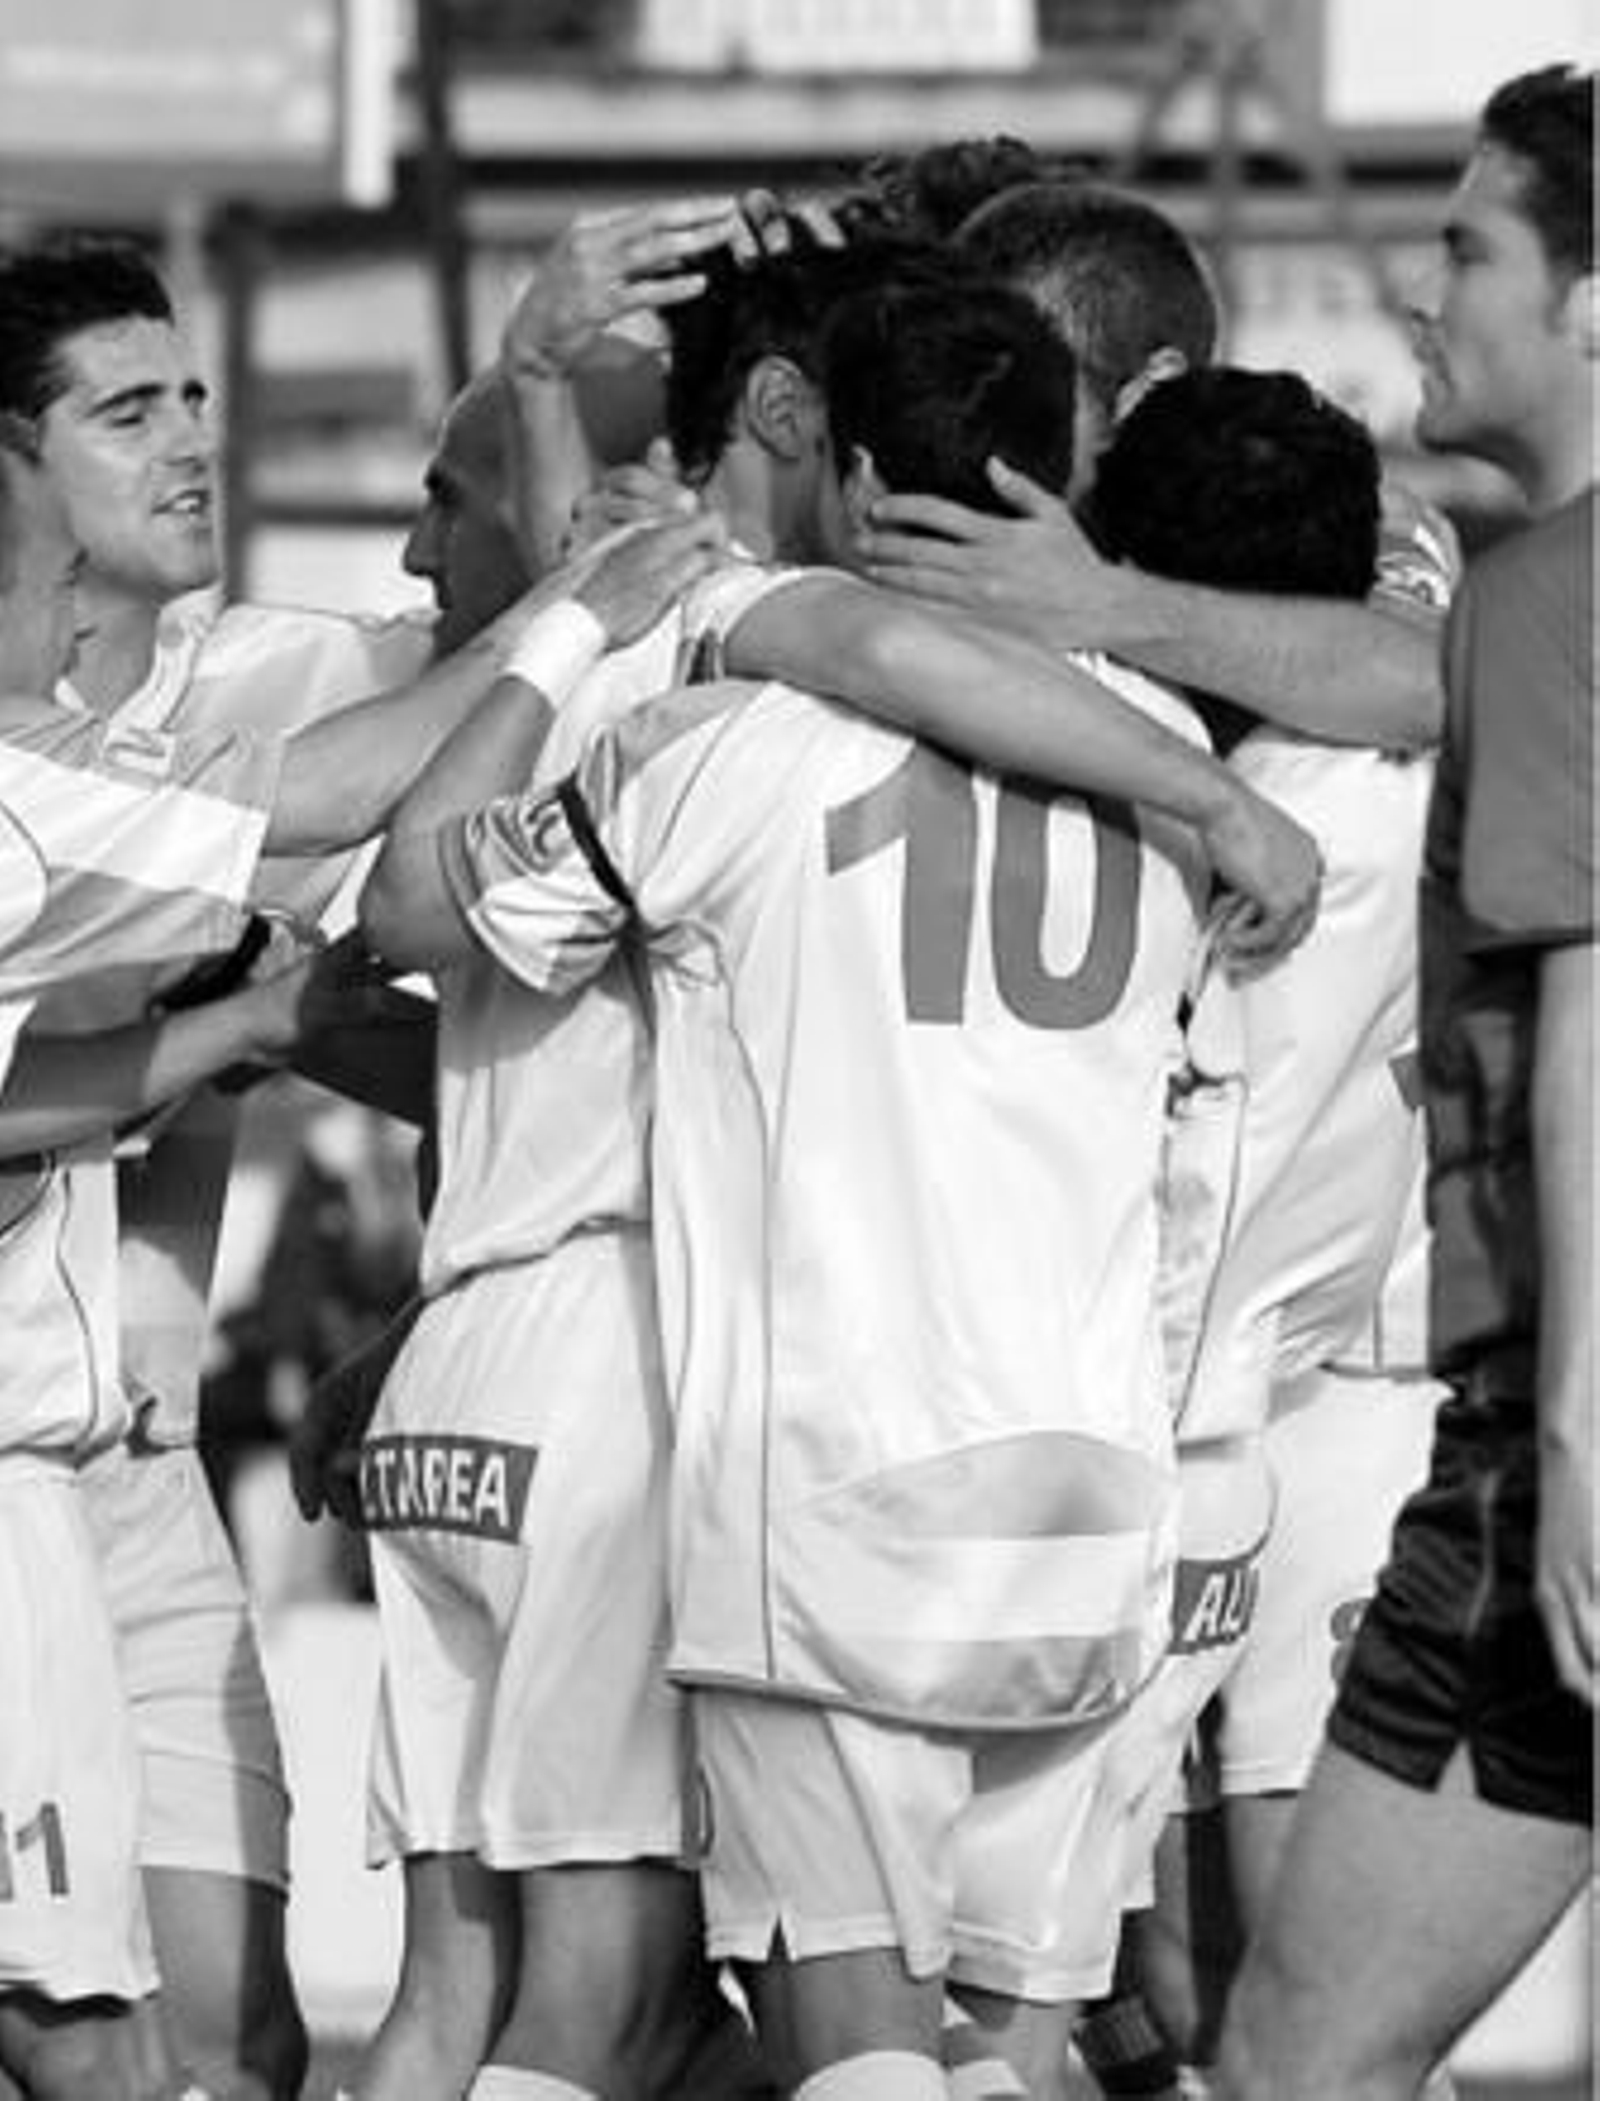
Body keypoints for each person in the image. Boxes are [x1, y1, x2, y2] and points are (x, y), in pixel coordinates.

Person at [363, 261, 1213, 2101]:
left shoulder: (728, 739)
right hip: (1085, 1490)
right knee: (1018, 2050)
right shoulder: (1174, 756)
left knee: (786, 2041)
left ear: (835, 460)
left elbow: (414, 906)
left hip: (816, 1495)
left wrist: (570, 624)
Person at [1217, 62, 1596, 2101]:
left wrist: (1569, 1426)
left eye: (1465, 246)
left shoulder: (1555, 593)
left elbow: (1587, 1030)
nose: (1421, 295)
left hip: (1547, 1422)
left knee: (1294, 2058)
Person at [1035, 365, 1445, 2100]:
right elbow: (1428, 638)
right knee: (1277, 1999)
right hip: (1315, 1416)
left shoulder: (1120, 798)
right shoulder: (1436, 751)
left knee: (1048, 1990)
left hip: (1148, 1431)